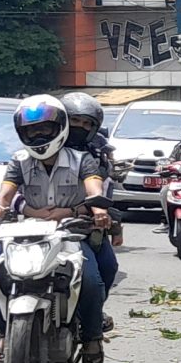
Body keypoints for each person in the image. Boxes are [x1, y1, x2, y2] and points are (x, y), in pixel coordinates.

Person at [0, 95, 111, 363]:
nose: (38, 135)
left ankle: (92, 338)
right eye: (31, 130)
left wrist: (93, 211)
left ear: (60, 127)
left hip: (71, 234)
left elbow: (94, 189)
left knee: (90, 280)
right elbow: (5, 196)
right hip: (29, 232)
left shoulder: (83, 160)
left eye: (44, 129)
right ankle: (3, 331)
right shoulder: (18, 161)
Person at [59, 92, 123, 300]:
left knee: (105, 269)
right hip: (37, 223)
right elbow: (12, 190)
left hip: (81, 223)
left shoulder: (92, 156)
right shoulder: (33, 151)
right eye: (74, 120)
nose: (80, 126)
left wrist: (100, 212)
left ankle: (92, 322)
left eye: (87, 123)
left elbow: (96, 189)